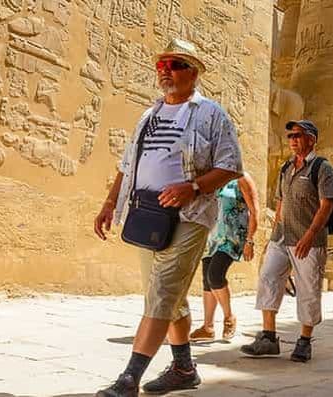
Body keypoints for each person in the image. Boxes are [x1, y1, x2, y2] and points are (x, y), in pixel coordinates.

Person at [93, 39, 243, 396]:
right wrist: (110, 202)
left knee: (161, 294)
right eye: (162, 65)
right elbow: (126, 165)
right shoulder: (149, 114)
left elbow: (231, 165)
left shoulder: (211, 114)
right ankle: (183, 369)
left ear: (193, 72)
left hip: (189, 216)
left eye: (174, 64)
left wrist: (192, 187)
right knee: (167, 297)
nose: (165, 71)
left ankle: (129, 379)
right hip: (146, 215)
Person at [240, 119, 333, 363]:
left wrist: (309, 235)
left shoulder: (322, 168)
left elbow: (326, 205)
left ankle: (304, 341)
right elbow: (281, 203)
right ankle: (268, 337)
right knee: (268, 277)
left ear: (311, 139)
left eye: (298, 135)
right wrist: (272, 236)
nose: (293, 140)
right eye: (290, 136)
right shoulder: (286, 168)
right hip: (282, 237)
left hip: (309, 241)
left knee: (308, 288)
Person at [189, 172, 260, 341]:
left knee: (215, 275)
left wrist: (250, 241)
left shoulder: (242, 178)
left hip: (232, 237)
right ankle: (208, 327)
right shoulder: (213, 178)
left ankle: (229, 317)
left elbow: (254, 211)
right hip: (211, 236)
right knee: (207, 280)